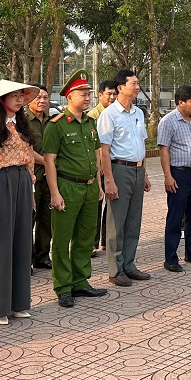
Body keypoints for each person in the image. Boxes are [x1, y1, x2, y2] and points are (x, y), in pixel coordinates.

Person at [0, 81, 38, 325]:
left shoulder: (23, 124)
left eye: (21, 95)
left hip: (22, 180)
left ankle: (19, 303)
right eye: (13, 96)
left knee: (22, 241)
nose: (19, 99)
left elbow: (29, 158)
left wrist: (31, 188)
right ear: (1, 100)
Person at [44, 70, 108, 306]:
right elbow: (49, 159)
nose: (88, 97)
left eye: (89, 93)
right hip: (67, 186)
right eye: (83, 93)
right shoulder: (56, 125)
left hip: (90, 187)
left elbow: (96, 154)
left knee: (85, 237)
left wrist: (99, 185)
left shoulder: (91, 123)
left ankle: (81, 281)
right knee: (62, 238)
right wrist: (54, 193)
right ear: (69, 96)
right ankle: (63, 286)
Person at [97, 69, 152, 287]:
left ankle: (129, 264)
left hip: (138, 171)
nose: (138, 87)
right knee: (116, 223)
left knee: (133, 221)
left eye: (138, 83)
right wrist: (109, 180)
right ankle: (115, 269)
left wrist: (145, 173)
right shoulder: (109, 115)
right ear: (121, 87)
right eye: (134, 83)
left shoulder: (138, 113)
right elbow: (104, 151)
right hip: (119, 170)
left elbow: (142, 145)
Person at [157, 84, 191, 271]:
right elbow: (164, 150)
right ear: (180, 102)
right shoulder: (168, 121)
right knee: (175, 217)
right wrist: (168, 176)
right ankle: (171, 258)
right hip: (179, 175)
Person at [24, 86, 52, 270]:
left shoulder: (52, 121)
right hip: (31, 178)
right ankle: (25, 261)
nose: (42, 101)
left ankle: (42, 257)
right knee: (28, 221)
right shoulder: (23, 121)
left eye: (45, 97)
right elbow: (26, 150)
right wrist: (48, 162)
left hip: (50, 179)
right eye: (38, 97)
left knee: (47, 220)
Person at [88, 79, 117, 256]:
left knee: (112, 205)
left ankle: (107, 240)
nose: (112, 97)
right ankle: (92, 243)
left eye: (115, 94)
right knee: (95, 205)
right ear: (100, 95)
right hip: (97, 167)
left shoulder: (117, 114)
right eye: (109, 94)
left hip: (114, 165)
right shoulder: (92, 116)